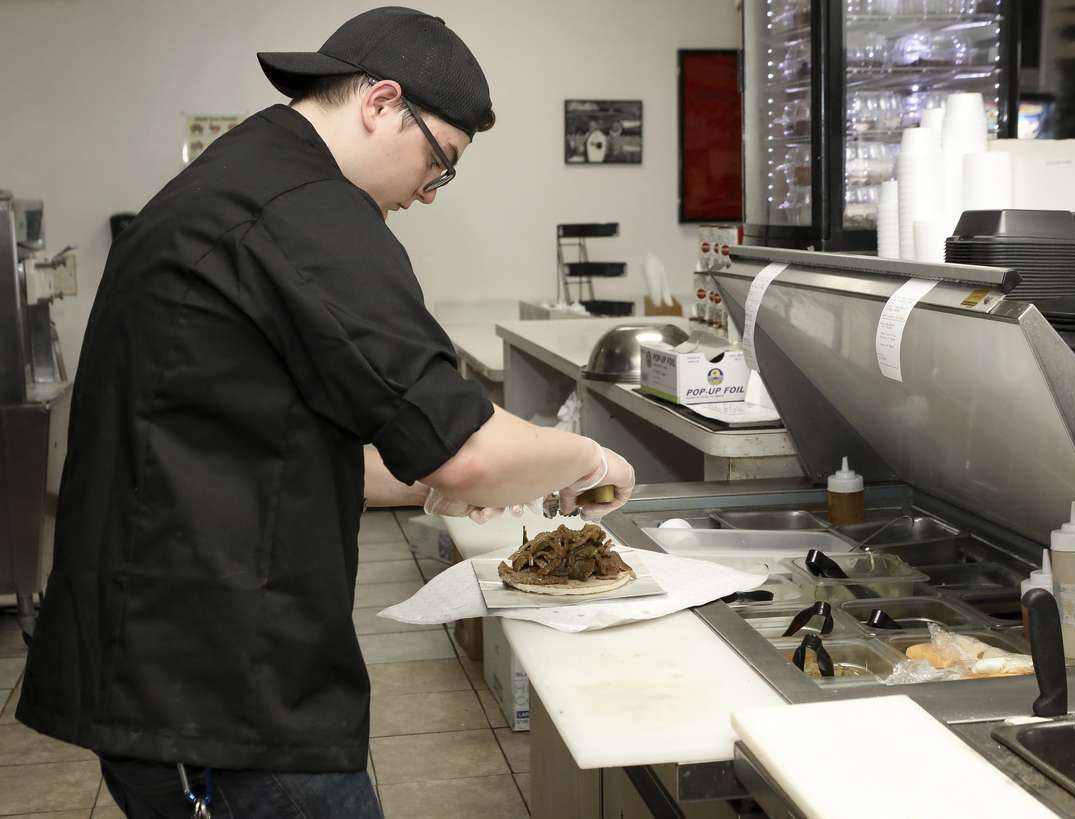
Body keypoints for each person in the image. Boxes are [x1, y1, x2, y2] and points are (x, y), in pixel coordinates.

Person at [17, 8, 634, 818]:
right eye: (438, 162)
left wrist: (426, 482)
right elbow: (469, 451)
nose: (429, 192)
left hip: (175, 668)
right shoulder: (308, 208)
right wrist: (590, 459)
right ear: (381, 103)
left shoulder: (246, 175)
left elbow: (265, 438)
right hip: (216, 697)